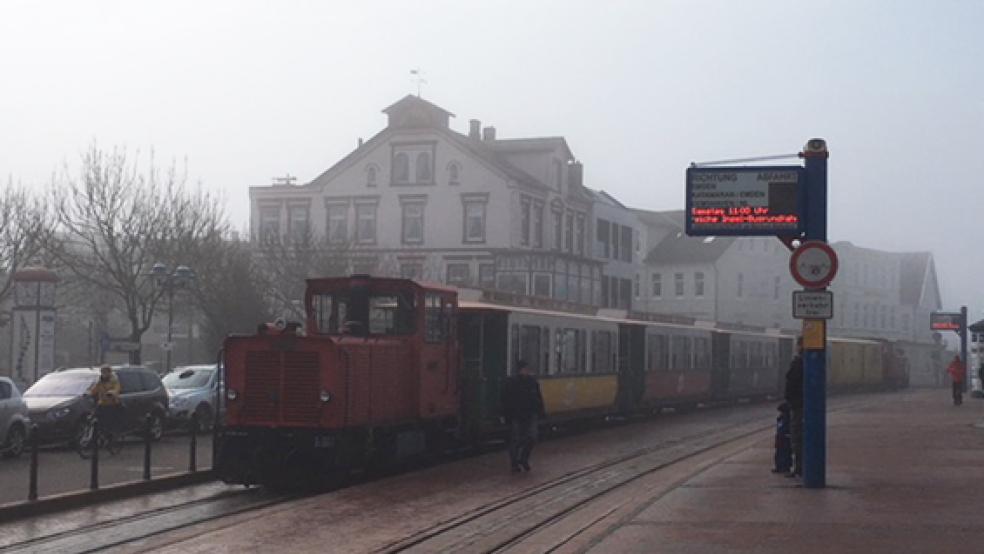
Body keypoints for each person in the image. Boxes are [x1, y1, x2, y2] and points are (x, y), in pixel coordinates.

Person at [500, 360, 546, 473]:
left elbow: (538, 397)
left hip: (530, 414)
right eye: (525, 369)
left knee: (532, 437)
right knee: (515, 440)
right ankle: (514, 464)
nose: (528, 371)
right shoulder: (511, 382)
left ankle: (523, 458)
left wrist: (541, 411)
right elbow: (505, 399)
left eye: (528, 369)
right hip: (516, 414)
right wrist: (504, 414)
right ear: (520, 370)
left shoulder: (532, 382)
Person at [784, 337, 804, 478]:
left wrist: (790, 400)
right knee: (797, 436)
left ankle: (799, 467)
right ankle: (799, 466)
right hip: (799, 403)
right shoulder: (804, 361)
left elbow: (792, 382)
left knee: (797, 436)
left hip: (797, 405)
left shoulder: (799, 362)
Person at [88, 364, 123, 434]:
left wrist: (112, 392)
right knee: (95, 415)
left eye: (105, 372)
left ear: (109, 373)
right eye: (102, 372)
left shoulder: (114, 381)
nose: (104, 374)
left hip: (112, 403)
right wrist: (89, 393)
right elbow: (94, 389)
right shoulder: (100, 381)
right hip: (102, 403)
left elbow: (117, 388)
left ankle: (113, 432)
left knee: (113, 417)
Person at [772, 402, 792, 474]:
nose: (780, 413)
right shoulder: (781, 418)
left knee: (785, 453)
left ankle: (785, 467)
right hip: (780, 437)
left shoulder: (786, 418)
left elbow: (784, 428)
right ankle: (779, 467)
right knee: (779, 453)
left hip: (785, 437)